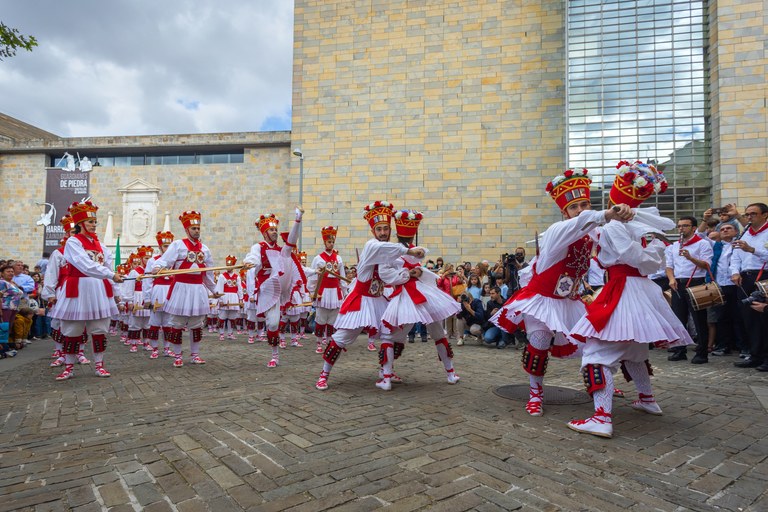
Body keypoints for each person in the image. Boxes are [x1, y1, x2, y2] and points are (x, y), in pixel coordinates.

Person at [491, 168, 633, 417]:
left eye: (585, 204)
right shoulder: (557, 231)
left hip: (570, 300)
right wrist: (604, 214)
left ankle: (599, 387)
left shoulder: (593, 232)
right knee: (539, 343)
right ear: (564, 211)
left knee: (593, 342)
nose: (581, 210)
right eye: (575, 206)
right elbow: (581, 224)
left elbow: (614, 236)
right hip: (542, 299)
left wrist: (626, 211)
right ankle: (535, 394)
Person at [567, 160, 693, 438]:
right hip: (642, 288)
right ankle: (647, 399)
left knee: (595, 354)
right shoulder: (644, 227)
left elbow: (628, 256)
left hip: (623, 288)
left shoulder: (615, 226)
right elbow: (650, 264)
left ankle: (601, 417)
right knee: (635, 351)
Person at [314, 201, 425, 391]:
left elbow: (398, 268)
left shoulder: (390, 250)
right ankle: (324, 374)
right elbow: (387, 250)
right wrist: (407, 250)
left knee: (394, 335)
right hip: (361, 300)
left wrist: (411, 270)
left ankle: (386, 372)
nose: (383, 232)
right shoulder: (371, 246)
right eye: (379, 229)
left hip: (379, 300)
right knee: (342, 337)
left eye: (386, 229)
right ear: (374, 231)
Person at [380, 210, 462, 387]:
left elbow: (420, 270)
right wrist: (406, 274)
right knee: (394, 335)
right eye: (404, 239)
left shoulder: (417, 252)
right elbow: (387, 275)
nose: (407, 242)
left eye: (409, 239)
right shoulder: (391, 253)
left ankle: (451, 372)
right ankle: (386, 375)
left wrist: (419, 272)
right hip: (405, 295)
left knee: (438, 333)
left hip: (423, 294)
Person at [48, 200, 122, 380]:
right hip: (78, 287)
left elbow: (108, 267)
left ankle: (99, 364)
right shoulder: (73, 242)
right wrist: (110, 275)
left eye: (95, 222)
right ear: (80, 224)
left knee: (99, 329)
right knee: (72, 330)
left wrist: (116, 291)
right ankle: (69, 367)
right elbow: (84, 265)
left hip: (98, 289)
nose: (94, 225)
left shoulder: (102, 246)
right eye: (90, 222)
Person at [150, 211, 215, 368]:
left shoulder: (205, 249)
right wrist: (157, 267)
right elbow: (165, 260)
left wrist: (213, 289)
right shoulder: (178, 245)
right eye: (193, 228)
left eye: (198, 227)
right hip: (181, 288)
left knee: (196, 324)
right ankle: (177, 356)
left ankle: (195, 355)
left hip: (198, 288)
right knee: (177, 323)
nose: (197, 231)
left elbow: (209, 272)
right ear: (186, 230)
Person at [243, 208, 304, 368]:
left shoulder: (281, 250)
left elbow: (291, 242)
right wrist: (252, 263)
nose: (275, 232)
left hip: (278, 288)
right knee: (271, 324)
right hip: (266, 289)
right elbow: (253, 258)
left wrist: (298, 220)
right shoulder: (258, 247)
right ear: (264, 233)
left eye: (276, 229)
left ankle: (275, 356)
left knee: (275, 323)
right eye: (271, 229)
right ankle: (274, 351)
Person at [665, 215, 714, 363]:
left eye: (685, 226)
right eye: (679, 226)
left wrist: (690, 258)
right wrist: (671, 279)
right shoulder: (673, 246)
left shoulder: (702, 244)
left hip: (696, 282)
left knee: (699, 319)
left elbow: (707, 265)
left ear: (693, 228)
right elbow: (669, 266)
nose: (681, 228)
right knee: (679, 318)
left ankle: (702, 352)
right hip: (678, 284)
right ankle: (680, 350)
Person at [731, 203, 768, 371]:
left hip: (764, 277)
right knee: (749, 319)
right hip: (745, 277)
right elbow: (736, 256)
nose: (749, 217)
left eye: (753, 213)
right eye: (747, 214)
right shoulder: (745, 233)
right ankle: (755, 355)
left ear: (765, 215)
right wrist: (735, 272)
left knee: (764, 318)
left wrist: (752, 249)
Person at [309, 226, 347, 354]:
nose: (331, 244)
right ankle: (319, 342)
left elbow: (342, 276)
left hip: (335, 292)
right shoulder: (318, 258)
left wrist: (345, 292)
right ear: (324, 242)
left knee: (332, 320)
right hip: (323, 292)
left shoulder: (339, 258)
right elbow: (313, 277)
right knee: (321, 318)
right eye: (329, 241)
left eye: (332, 241)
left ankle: (330, 340)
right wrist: (312, 292)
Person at [143, 231, 176, 358]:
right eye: (165, 246)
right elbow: (147, 280)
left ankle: (167, 349)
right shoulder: (153, 260)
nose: (167, 248)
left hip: (170, 291)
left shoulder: (174, 260)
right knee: (155, 322)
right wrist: (147, 298)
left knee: (168, 323)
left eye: (169, 246)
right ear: (160, 247)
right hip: (157, 291)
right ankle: (155, 348)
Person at [125, 246, 154, 353]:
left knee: (147, 322)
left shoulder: (151, 271)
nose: (148, 260)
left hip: (147, 298)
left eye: (149, 258)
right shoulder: (135, 272)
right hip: (137, 297)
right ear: (141, 259)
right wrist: (129, 301)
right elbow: (129, 287)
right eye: (146, 258)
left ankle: (146, 343)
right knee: (135, 322)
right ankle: (134, 343)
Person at [215, 255, 243, 341]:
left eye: (230, 265)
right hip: (225, 297)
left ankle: (230, 333)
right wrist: (220, 300)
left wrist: (241, 299)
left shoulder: (237, 276)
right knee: (222, 317)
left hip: (234, 297)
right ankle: (221, 334)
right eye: (227, 265)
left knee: (232, 317)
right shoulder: (222, 276)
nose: (228, 267)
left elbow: (240, 289)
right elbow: (219, 288)